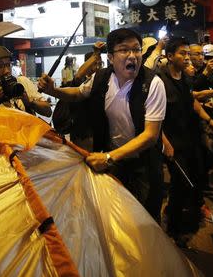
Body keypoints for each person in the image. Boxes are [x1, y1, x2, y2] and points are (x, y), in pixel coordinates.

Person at [38, 28, 166, 221]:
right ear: (111, 58)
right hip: (112, 159)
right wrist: (53, 90)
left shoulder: (153, 84)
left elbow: (150, 135)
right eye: (124, 50)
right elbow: (78, 93)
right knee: (112, 214)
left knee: (144, 219)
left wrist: (108, 158)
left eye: (137, 49)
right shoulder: (101, 78)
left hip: (143, 164)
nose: (132, 55)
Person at [157, 37, 213, 246]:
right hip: (172, 142)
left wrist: (209, 120)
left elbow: (192, 101)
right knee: (180, 183)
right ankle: (174, 228)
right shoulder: (158, 81)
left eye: (188, 53)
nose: (187, 58)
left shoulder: (185, 78)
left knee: (197, 177)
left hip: (190, 138)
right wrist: (165, 143)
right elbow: (151, 116)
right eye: (182, 54)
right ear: (169, 56)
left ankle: (185, 214)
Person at [0, 45, 51, 117]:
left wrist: (29, 102)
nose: (7, 71)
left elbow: (48, 112)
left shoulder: (22, 82)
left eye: (8, 65)